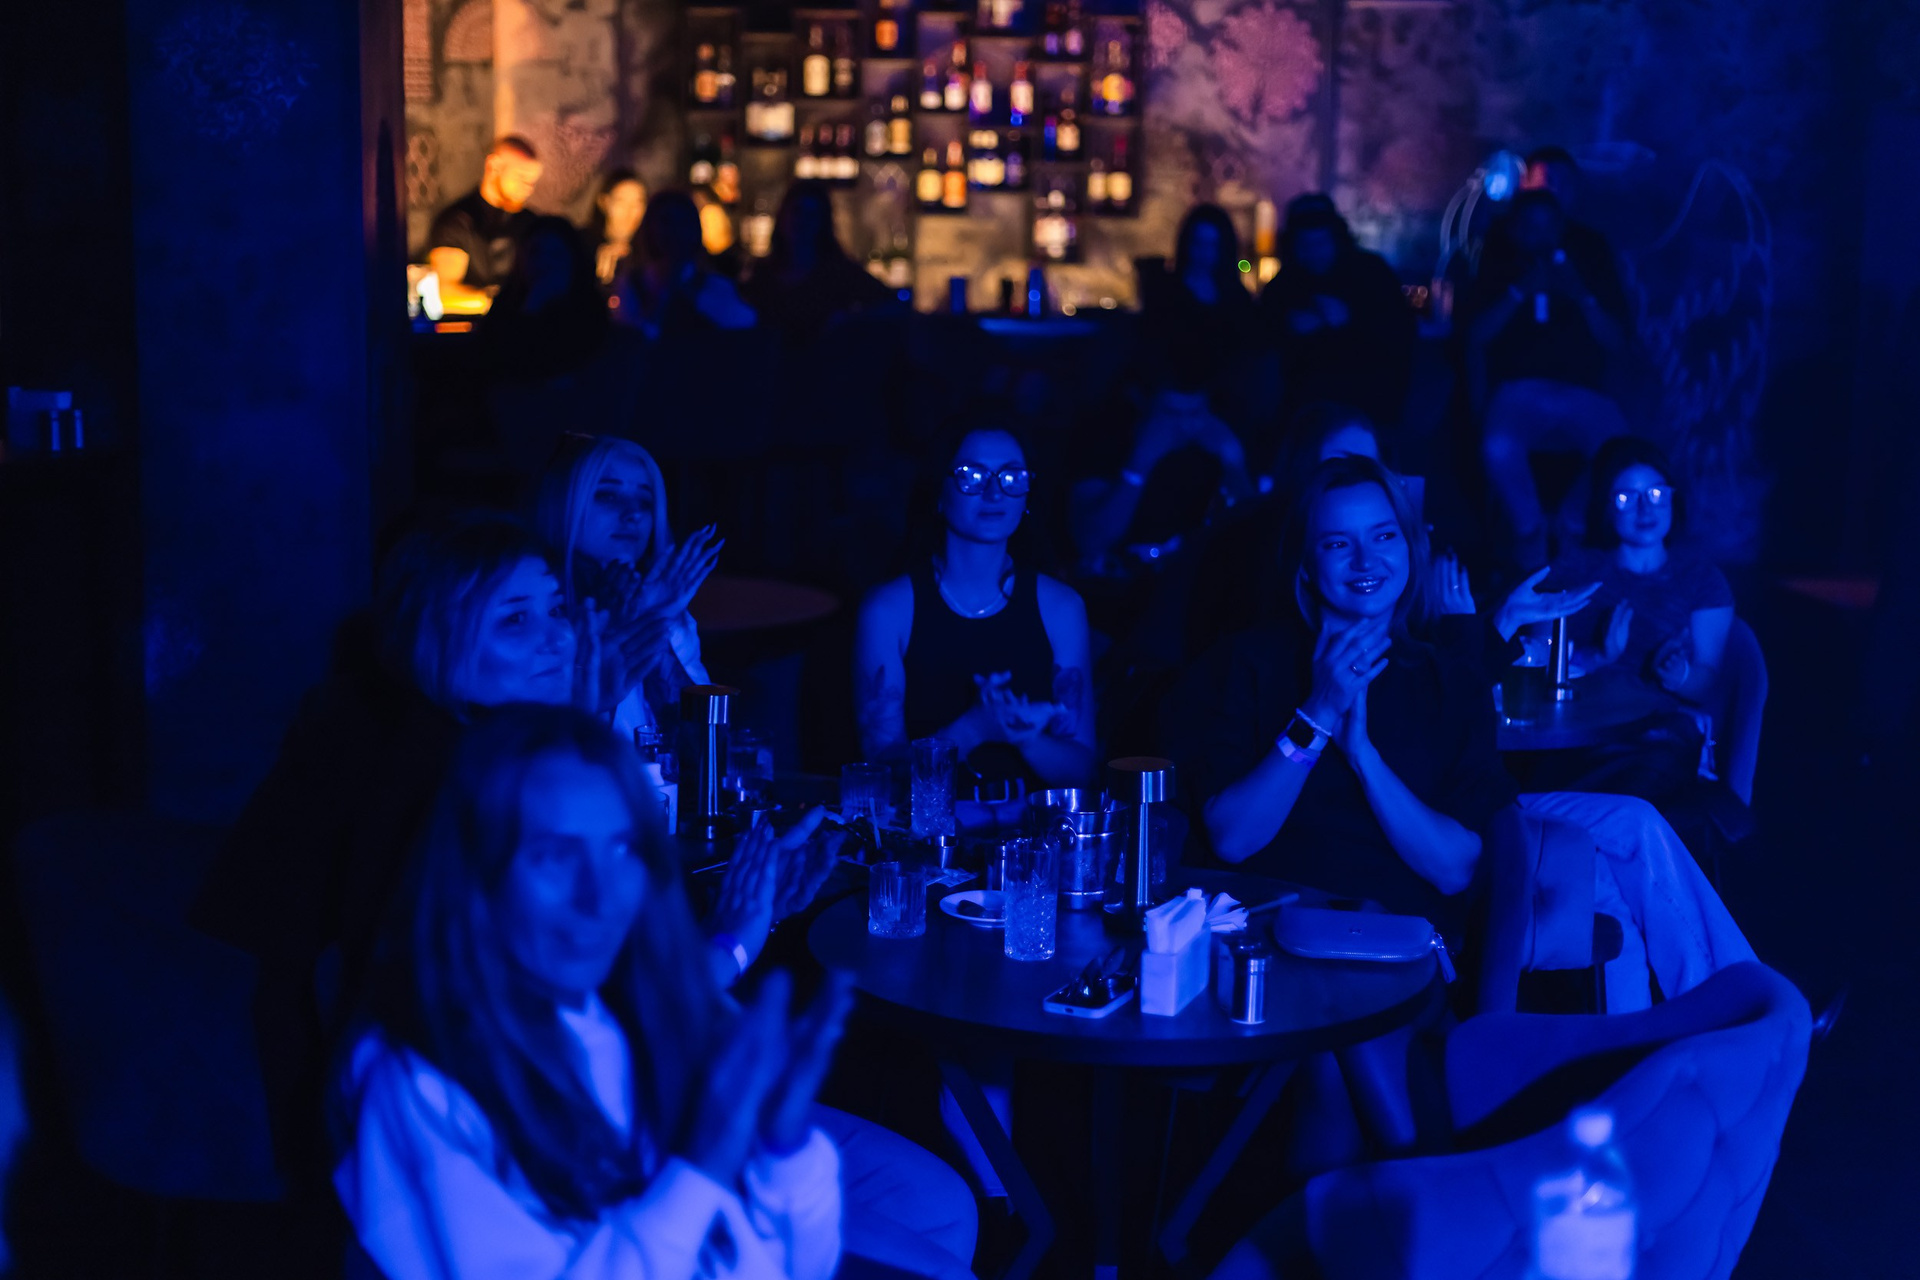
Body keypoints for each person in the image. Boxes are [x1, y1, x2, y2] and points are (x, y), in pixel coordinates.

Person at [332, 706, 973, 1280]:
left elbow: (782, 1263)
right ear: (476, 875)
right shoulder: (424, 1087)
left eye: (622, 849)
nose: (600, 896)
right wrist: (703, 1160)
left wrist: (784, 1152)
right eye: (554, 856)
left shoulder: (599, 1022)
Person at [1173, 455, 1753, 1012]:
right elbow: (1233, 840)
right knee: (1617, 853)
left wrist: (1365, 757)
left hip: (1404, 948)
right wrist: (1319, 713)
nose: (1365, 559)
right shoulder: (1246, 665)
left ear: (1410, 547)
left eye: (1384, 536)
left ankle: (1721, 1014)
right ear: (1305, 562)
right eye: (1337, 543)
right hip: (1276, 948)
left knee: (1621, 850)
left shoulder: (1442, 680)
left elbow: (1455, 866)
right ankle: (1723, 1013)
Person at [855, 426, 1097, 797]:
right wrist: (974, 729)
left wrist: (1025, 738)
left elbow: (1081, 771)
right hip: (925, 826)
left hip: (1031, 827)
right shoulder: (888, 609)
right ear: (939, 491)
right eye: (972, 475)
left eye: (1012, 476)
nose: (994, 492)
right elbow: (882, 778)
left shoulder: (1061, 607)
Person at [1467, 187, 1631, 569]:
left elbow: (1617, 341)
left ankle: (1571, 524)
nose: (1539, 236)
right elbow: (1475, 336)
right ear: (1514, 230)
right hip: (1518, 391)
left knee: (1620, 453)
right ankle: (1530, 531)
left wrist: (1581, 295)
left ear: (1561, 229)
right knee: (1497, 446)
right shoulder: (1497, 265)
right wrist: (1518, 292)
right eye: (1529, 227)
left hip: (1583, 393)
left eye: (1547, 227)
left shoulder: (1588, 267)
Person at [532, 434, 722, 738]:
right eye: (608, 496)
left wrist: (651, 622)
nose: (634, 514)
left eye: (645, 501)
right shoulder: (534, 615)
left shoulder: (669, 612)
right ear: (563, 504)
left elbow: (703, 745)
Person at [1260, 194, 1416, 425]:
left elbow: (1401, 331)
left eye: (1321, 243)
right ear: (1293, 245)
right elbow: (1260, 339)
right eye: (1304, 244)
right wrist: (1288, 327)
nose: (1314, 252)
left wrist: (1351, 318)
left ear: (1336, 239)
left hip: (1367, 401)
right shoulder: (1283, 286)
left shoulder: (1372, 273)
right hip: (1302, 409)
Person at [741, 179, 898, 346]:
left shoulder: (839, 273)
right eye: (797, 211)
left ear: (822, 223)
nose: (802, 222)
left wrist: (850, 320)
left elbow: (891, 304)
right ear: (783, 216)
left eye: (812, 215)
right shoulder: (762, 272)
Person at [427, 136, 543, 314]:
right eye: (521, 176)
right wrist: (497, 302)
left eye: (533, 181)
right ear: (494, 166)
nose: (529, 187)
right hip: (474, 329)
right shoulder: (457, 222)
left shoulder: (532, 224)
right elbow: (446, 295)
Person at [625, 191, 757, 340]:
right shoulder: (633, 285)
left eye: (682, 222)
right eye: (666, 221)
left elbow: (744, 322)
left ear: (695, 229)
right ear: (650, 228)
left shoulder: (715, 286)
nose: (674, 231)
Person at [585, 169, 647, 292]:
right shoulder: (584, 244)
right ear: (604, 202)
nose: (630, 210)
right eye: (621, 201)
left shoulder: (649, 249)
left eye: (638, 202)